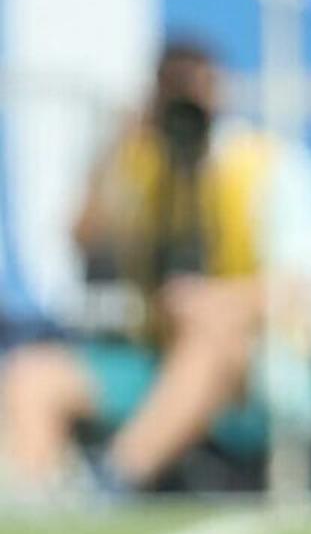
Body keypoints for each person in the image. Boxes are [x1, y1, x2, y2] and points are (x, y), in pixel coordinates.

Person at [0, 39, 279, 497]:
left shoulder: (260, 164)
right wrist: (115, 144)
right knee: (30, 378)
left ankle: (111, 480)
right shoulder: (139, 164)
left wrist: (212, 303)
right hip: (152, 353)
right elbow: (80, 238)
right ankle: (38, 503)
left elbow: (299, 288)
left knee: (207, 337)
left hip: (245, 365)